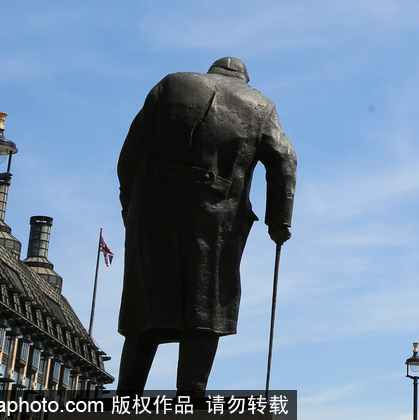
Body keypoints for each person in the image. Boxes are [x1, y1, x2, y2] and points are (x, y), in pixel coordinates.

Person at [116, 57, 296, 393]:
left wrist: (130, 202)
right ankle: (191, 391)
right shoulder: (260, 105)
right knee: (208, 299)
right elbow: (284, 158)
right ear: (243, 79)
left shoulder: (171, 84)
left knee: (147, 296)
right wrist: (278, 222)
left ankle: (128, 392)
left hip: (152, 206)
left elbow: (131, 150)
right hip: (216, 214)